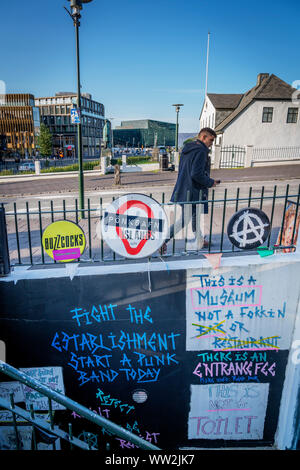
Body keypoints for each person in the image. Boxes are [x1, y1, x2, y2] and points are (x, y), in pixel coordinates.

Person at [162, 127, 221, 253]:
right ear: (203, 137)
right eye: (210, 140)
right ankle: (163, 240)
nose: (211, 144)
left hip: (185, 189)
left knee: (195, 217)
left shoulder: (188, 148)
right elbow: (196, 174)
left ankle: (199, 239)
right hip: (193, 191)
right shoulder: (200, 151)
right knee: (185, 219)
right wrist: (210, 182)